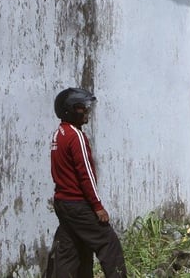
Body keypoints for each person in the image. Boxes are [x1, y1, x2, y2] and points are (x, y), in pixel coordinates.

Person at [46, 88, 128, 277]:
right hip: (78, 204)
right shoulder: (76, 137)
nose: (86, 112)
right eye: (82, 108)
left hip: (63, 203)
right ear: (71, 110)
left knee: (71, 250)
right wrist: (98, 206)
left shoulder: (59, 134)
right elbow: (86, 175)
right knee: (109, 244)